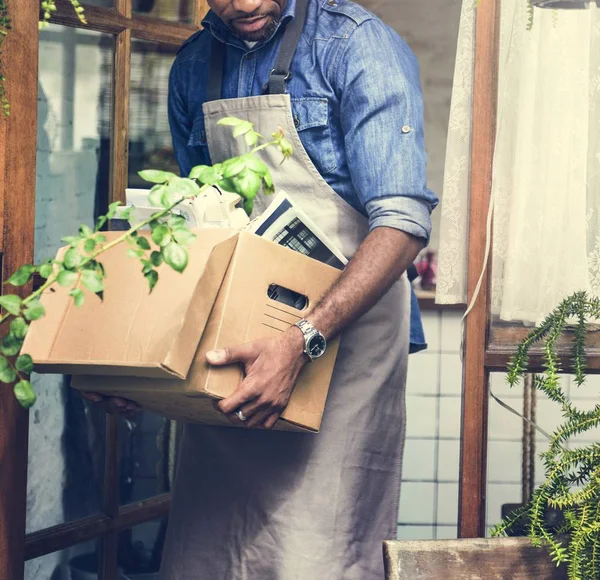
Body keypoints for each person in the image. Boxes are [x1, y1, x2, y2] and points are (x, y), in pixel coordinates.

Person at [87, 0, 438, 577]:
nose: (244, 3)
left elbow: (402, 224)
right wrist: (142, 371)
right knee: (210, 553)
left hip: (343, 345)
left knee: (318, 554)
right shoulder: (193, 67)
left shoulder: (355, 45)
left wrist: (302, 339)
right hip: (241, 341)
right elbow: (196, 229)